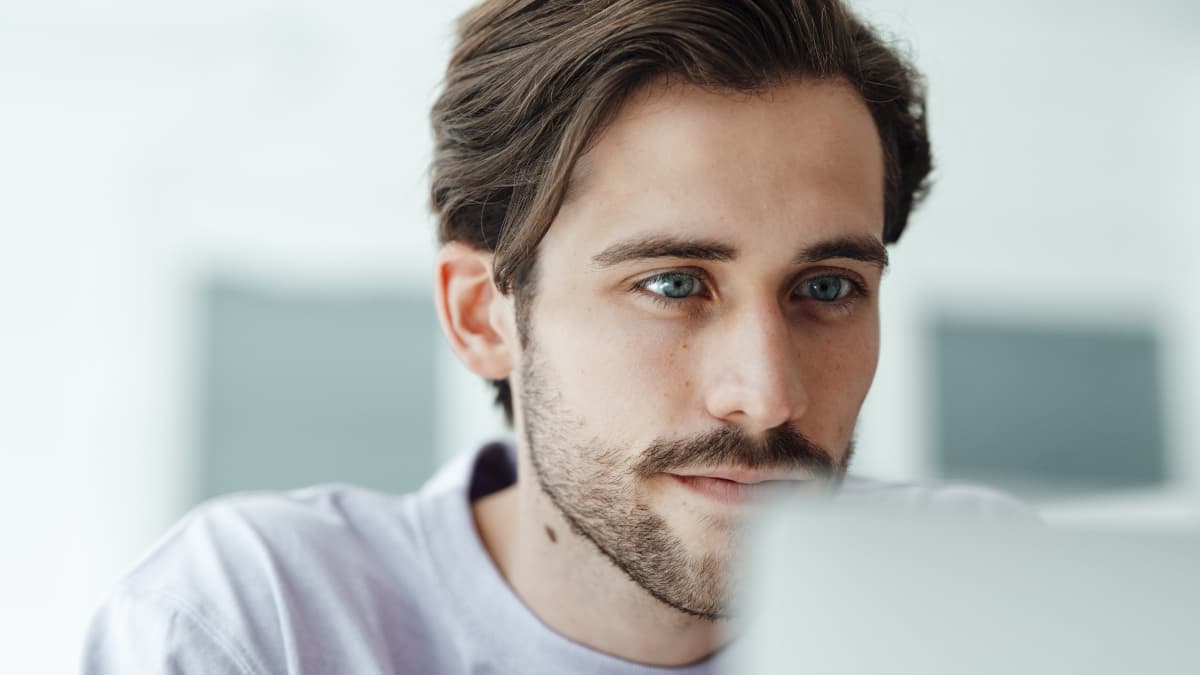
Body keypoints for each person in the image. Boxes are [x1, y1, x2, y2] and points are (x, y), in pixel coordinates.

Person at [83, 0, 1032, 672]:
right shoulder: (258, 626)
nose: (767, 393)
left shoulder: (991, 600)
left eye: (827, 286)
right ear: (482, 313)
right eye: (672, 283)